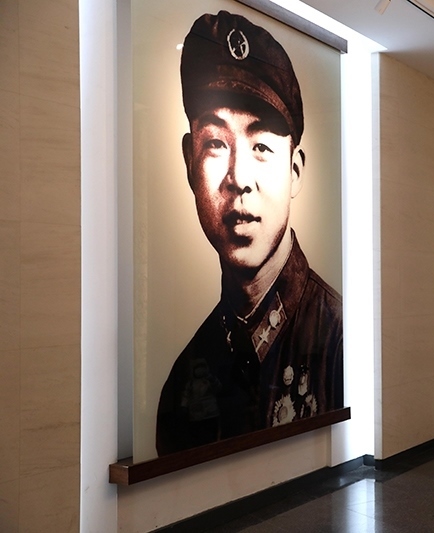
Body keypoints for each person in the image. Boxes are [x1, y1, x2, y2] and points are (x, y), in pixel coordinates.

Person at [156, 11, 344, 456]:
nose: (239, 178)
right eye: (216, 144)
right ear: (189, 162)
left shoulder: (340, 338)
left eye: (260, 146)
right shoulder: (185, 376)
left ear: (294, 170)